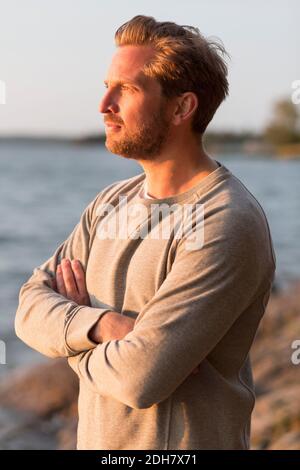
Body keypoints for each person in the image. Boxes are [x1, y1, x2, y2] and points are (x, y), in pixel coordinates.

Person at [15, 15, 276, 450]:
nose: (104, 105)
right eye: (107, 85)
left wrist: (68, 340)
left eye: (128, 89)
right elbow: (27, 309)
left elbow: (140, 379)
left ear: (181, 108)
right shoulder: (109, 204)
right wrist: (103, 325)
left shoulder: (227, 221)